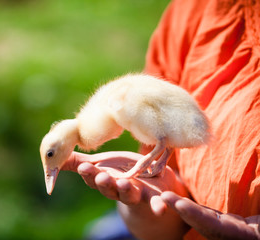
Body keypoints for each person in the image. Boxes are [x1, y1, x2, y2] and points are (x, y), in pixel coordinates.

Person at [62, 0, 260, 239]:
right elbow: (165, 193)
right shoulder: (194, 11)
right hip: (182, 220)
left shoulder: (121, 103)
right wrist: (142, 204)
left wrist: (139, 169)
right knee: (104, 233)